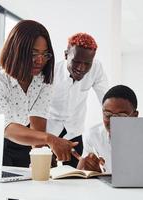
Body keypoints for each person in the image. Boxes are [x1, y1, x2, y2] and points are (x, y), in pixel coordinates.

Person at [0, 20, 78, 168]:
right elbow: (7, 128)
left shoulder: (44, 81)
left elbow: (37, 124)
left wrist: (45, 161)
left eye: (45, 54)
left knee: (28, 184)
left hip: (26, 138)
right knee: (3, 187)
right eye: (34, 53)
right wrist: (50, 139)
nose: (40, 60)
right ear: (17, 50)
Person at [47, 33, 109, 167]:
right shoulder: (51, 72)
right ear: (66, 55)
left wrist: (116, 124)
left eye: (87, 63)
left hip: (74, 131)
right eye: (76, 61)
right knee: (45, 176)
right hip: (49, 131)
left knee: (76, 178)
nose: (81, 68)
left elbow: (106, 99)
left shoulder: (96, 68)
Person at [76, 85, 139, 172]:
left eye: (121, 116)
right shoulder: (93, 135)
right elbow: (81, 172)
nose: (113, 121)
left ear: (135, 116)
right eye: (108, 115)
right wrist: (92, 170)